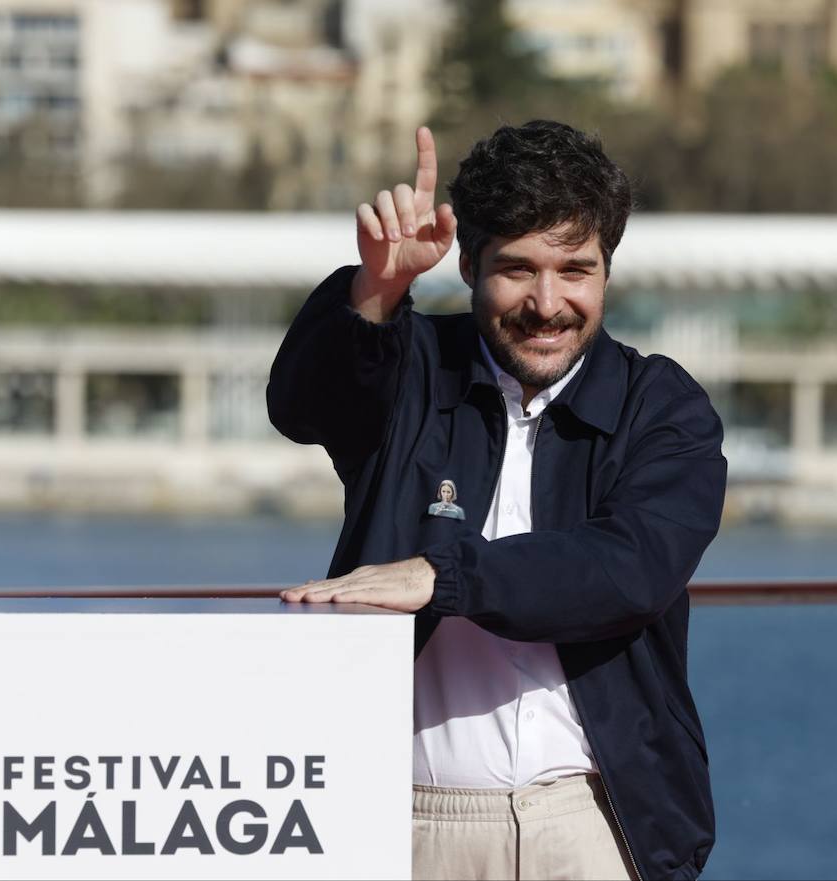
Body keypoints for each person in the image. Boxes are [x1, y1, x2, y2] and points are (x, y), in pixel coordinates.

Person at [269, 120, 726, 881]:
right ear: (469, 264)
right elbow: (301, 405)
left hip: (595, 824)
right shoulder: (411, 368)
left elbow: (628, 567)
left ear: (607, 271)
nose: (549, 304)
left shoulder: (662, 407)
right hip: (406, 818)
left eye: (576, 270)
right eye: (518, 270)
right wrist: (376, 290)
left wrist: (440, 575)